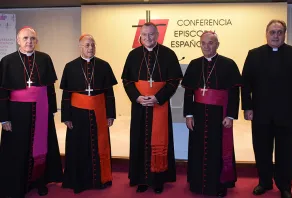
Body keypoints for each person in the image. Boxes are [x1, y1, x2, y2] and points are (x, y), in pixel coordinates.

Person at [241, 19, 292, 198]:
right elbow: (245, 83)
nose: (276, 36)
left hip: (287, 113)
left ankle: (285, 186)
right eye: (273, 32)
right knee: (261, 149)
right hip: (260, 112)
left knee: (285, 151)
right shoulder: (254, 54)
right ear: (266, 34)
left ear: (284, 34)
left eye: (279, 32)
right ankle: (264, 182)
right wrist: (247, 107)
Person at [0, 26, 63, 198]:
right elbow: (2, 92)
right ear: (18, 40)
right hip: (16, 112)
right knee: (18, 147)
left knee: (41, 147)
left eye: (32, 39)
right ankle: (18, 184)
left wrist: (51, 111)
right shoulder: (7, 61)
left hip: (41, 110)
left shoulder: (44, 59)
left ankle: (39, 181)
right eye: (26, 38)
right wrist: (4, 119)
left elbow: (50, 88)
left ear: (36, 41)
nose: (29, 41)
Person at [121, 22, 183, 194]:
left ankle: (158, 180)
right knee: (139, 140)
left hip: (159, 106)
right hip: (140, 106)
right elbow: (126, 80)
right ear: (140, 36)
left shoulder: (168, 54)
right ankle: (141, 179)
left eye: (151, 34)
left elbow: (173, 81)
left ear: (157, 35)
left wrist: (158, 98)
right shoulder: (133, 55)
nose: (148, 38)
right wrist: (137, 97)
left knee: (160, 141)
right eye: (145, 35)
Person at [182, 31, 241, 197]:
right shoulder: (194, 64)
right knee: (198, 148)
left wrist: (230, 116)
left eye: (210, 43)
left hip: (219, 115)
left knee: (218, 148)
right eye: (203, 43)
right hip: (198, 114)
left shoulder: (228, 64)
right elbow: (188, 92)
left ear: (217, 45)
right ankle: (197, 182)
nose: (206, 46)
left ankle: (219, 184)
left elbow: (234, 92)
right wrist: (188, 114)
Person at [60, 34, 117, 194]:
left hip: (99, 112)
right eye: (87, 45)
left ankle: (101, 179)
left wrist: (110, 114)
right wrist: (66, 116)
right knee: (78, 146)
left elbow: (109, 93)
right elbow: (66, 94)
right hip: (77, 113)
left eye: (93, 44)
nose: (90, 48)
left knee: (100, 146)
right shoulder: (70, 67)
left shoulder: (104, 66)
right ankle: (78, 181)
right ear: (80, 47)